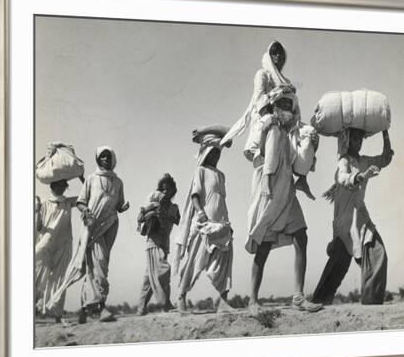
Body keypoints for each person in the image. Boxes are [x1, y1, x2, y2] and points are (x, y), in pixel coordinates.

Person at [220, 41, 322, 314]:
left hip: (286, 188)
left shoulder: (291, 134)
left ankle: (298, 296)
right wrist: (265, 182)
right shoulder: (270, 125)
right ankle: (253, 300)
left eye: (282, 52)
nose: (278, 56)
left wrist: (308, 151)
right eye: (274, 51)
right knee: (263, 244)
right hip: (268, 187)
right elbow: (254, 151)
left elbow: (299, 164)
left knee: (301, 235)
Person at [47, 146, 129, 324]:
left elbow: (119, 205)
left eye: (108, 157)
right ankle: (100, 307)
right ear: (98, 160)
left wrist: (123, 208)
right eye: (102, 157)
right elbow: (81, 202)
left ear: (113, 159)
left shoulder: (118, 182)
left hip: (110, 226)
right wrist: (87, 213)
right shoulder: (91, 179)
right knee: (98, 263)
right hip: (92, 227)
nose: (105, 160)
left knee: (99, 265)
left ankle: (84, 309)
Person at [312, 129, 394, 305]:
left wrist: (385, 133)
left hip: (360, 217)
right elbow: (343, 178)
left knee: (377, 253)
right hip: (345, 220)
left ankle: (372, 302)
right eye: (354, 138)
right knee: (338, 264)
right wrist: (363, 176)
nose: (358, 142)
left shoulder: (364, 161)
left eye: (360, 138)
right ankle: (319, 301)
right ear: (347, 141)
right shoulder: (343, 161)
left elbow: (386, 158)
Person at [174, 128, 235, 314]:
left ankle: (223, 301)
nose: (216, 156)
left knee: (224, 263)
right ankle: (181, 298)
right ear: (206, 153)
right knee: (193, 262)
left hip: (222, 223)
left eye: (218, 152)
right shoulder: (200, 171)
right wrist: (200, 213)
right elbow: (195, 196)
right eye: (213, 152)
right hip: (204, 224)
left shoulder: (221, 175)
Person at [136, 173, 181, 315]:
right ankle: (165, 303)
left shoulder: (174, 208)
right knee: (163, 270)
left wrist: (167, 215)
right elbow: (140, 217)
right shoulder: (153, 204)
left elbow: (179, 220)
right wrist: (151, 212)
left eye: (169, 189)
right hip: (153, 243)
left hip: (164, 244)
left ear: (174, 191)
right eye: (163, 189)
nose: (166, 192)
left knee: (149, 278)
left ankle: (141, 308)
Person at [35, 180, 78, 323]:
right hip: (45, 244)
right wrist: (37, 212)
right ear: (52, 186)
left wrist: (82, 178)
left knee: (59, 278)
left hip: (64, 244)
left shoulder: (68, 202)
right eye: (57, 185)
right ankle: (35, 309)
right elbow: (39, 228)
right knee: (39, 277)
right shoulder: (44, 204)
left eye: (63, 185)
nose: (60, 188)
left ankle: (57, 314)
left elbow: (87, 195)